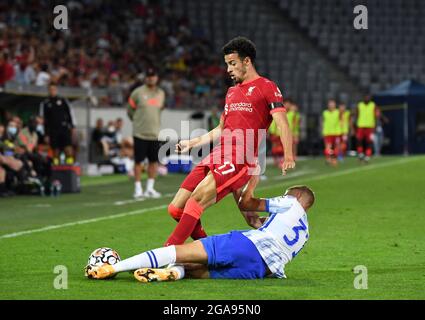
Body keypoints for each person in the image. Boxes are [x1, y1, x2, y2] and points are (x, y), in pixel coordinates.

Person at [164, 37, 295, 247]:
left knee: (196, 202)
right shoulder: (232, 92)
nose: (228, 69)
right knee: (176, 209)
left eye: (232, 63)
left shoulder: (266, 87)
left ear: (247, 62)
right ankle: (209, 252)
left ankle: (166, 254)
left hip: (240, 158)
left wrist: (288, 155)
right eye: (227, 64)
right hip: (217, 154)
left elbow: (282, 123)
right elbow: (220, 129)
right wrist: (193, 142)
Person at [84, 177, 315, 281]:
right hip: (262, 270)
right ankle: (171, 274)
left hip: (249, 246)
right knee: (195, 270)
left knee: (179, 251)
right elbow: (255, 221)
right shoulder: (304, 231)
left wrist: (251, 179)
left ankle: (112, 268)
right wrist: (237, 192)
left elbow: (248, 203)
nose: (283, 197)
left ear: (295, 196)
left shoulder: (291, 202)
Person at [127, 67, 165, 198]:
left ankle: (150, 188)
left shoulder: (161, 93)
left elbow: (159, 110)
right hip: (140, 133)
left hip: (154, 133)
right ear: (145, 78)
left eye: (153, 76)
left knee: (153, 162)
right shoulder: (137, 93)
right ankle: (138, 189)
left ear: (156, 78)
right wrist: (138, 121)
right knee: (138, 162)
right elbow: (129, 111)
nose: (151, 78)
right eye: (148, 76)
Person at [39, 83, 76, 165]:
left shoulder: (62, 100)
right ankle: (56, 169)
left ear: (56, 90)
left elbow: (70, 114)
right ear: (48, 90)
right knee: (56, 151)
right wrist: (46, 134)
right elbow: (44, 120)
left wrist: (72, 127)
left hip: (64, 128)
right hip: (53, 130)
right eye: (51, 89)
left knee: (68, 149)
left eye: (54, 89)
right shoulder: (45, 103)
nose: (52, 91)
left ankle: (69, 167)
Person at [353, 95, 380, 163]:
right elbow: (356, 115)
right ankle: (361, 154)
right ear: (363, 98)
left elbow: (376, 116)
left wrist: (376, 126)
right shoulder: (359, 105)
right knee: (359, 141)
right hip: (361, 126)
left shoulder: (373, 105)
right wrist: (354, 126)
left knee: (369, 142)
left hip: (370, 127)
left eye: (368, 97)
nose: (367, 98)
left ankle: (367, 156)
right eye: (365, 97)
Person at [321, 99, 341, 166]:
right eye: (330, 104)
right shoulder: (325, 112)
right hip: (327, 132)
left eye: (332, 104)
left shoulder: (338, 112)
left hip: (336, 132)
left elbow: (341, 121)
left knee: (336, 147)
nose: (331, 105)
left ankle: (334, 159)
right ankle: (329, 158)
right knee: (328, 147)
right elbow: (323, 122)